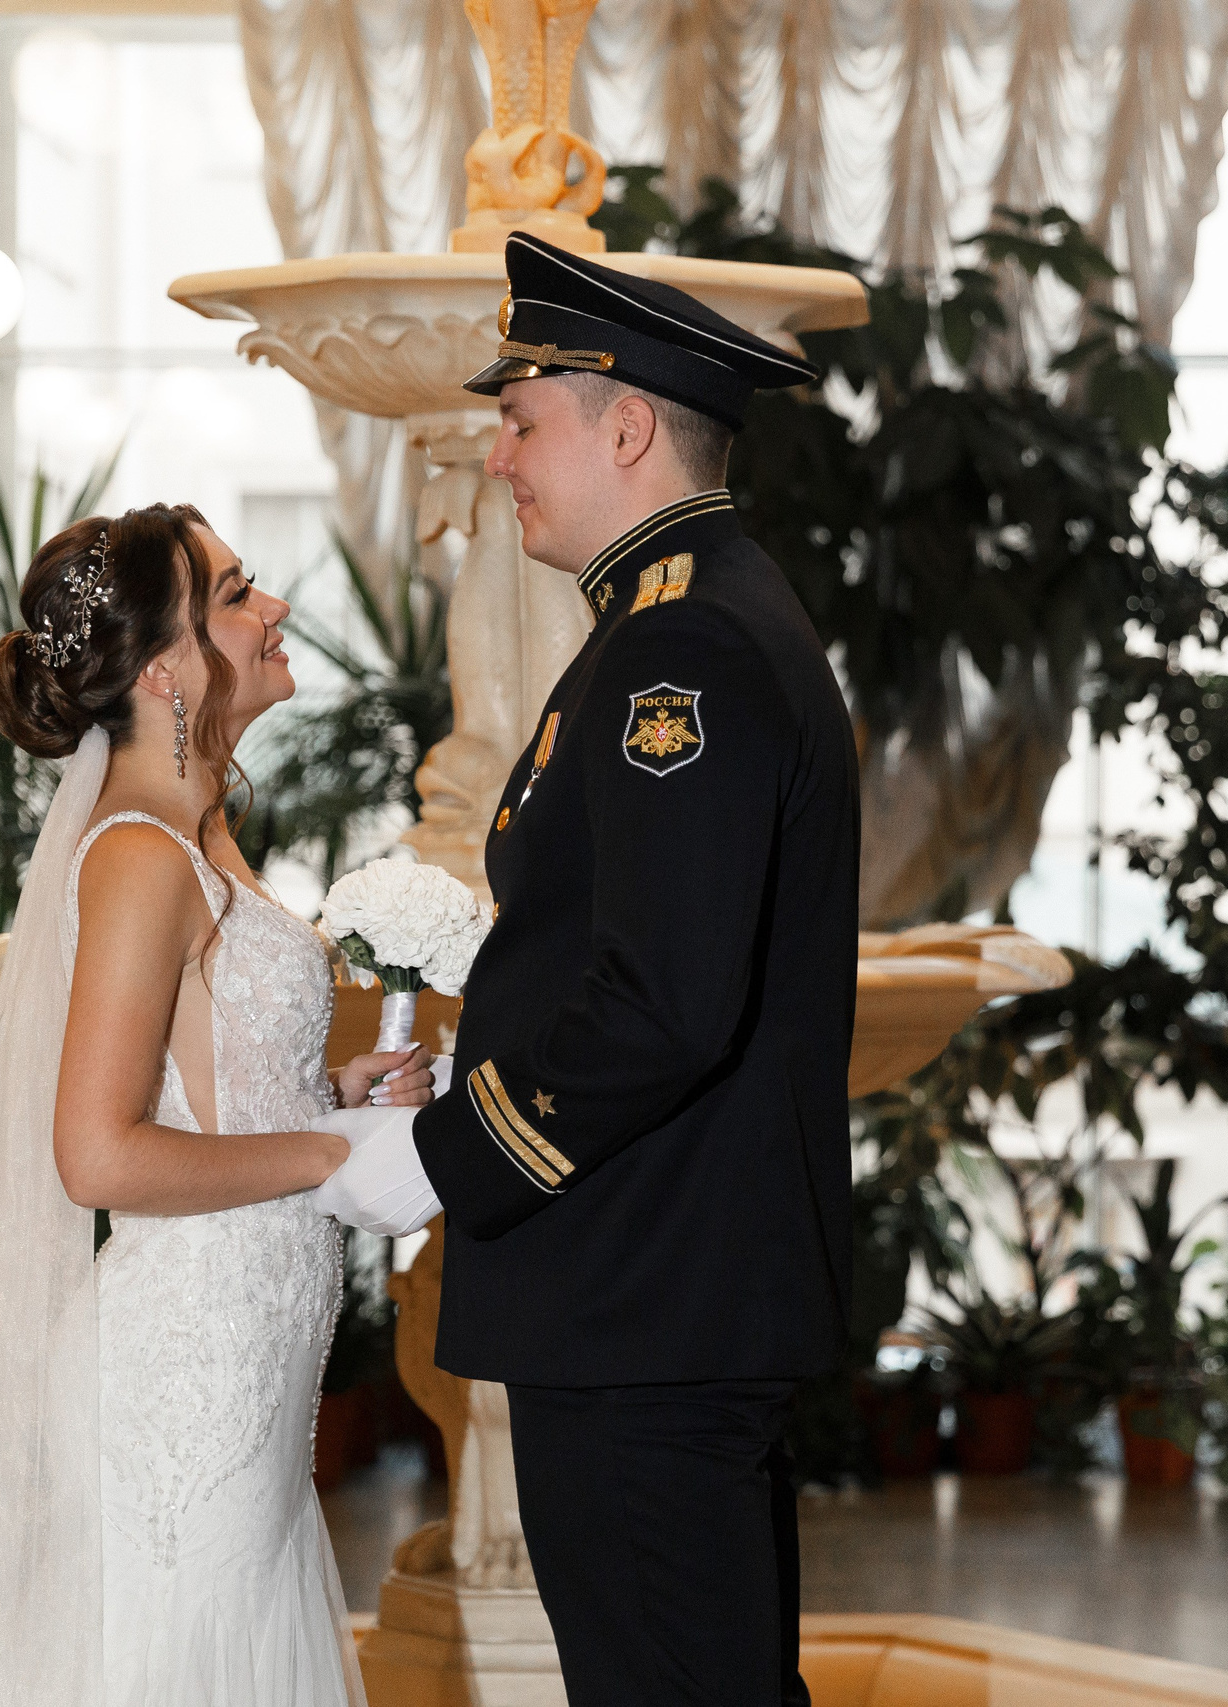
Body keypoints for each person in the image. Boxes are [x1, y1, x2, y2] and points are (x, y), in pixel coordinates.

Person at [323, 233, 860, 1705]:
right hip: (661, 1290)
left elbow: (662, 1001)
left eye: (520, 419)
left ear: (626, 429)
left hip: (645, 1296)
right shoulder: (675, 617)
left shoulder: (682, 648)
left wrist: (447, 1154)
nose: (498, 457)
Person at [0, 501, 433, 1707]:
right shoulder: (137, 856)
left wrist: (330, 1094)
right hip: (180, 1383)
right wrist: (328, 1152)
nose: (274, 608)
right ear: (166, 669)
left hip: (243, 1363)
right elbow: (100, 1157)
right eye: (236, 595)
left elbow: (201, 1089)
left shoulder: (197, 833)